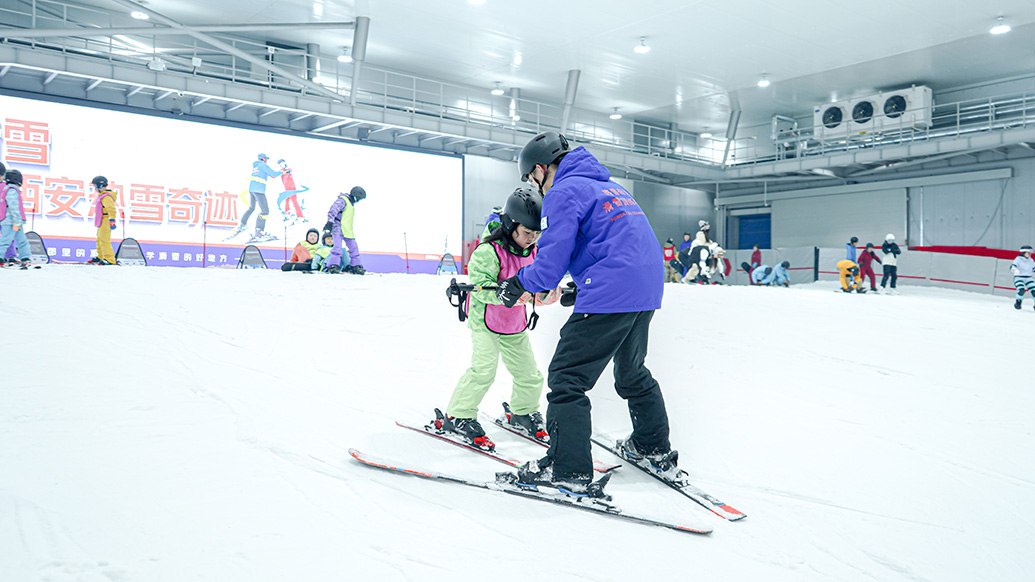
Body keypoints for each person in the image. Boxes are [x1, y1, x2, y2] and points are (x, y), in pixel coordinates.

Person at [496, 131, 672, 494]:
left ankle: (568, 469)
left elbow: (549, 263)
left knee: (567, 378)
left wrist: (519, 283)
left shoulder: (563, 191)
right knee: (632, 372)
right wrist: (585, 284)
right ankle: (652, 448)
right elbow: (611, 243)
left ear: (542, 169)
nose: (536, 187)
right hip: (646, 286)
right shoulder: (610, 188)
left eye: (532, 178)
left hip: (614, 289)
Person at [436, 188, 555, 450]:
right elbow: (480, 286)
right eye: (527, 233)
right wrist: (507, 294)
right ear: (511, 225)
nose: (531, 239)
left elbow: (539, 284)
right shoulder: (488, 251)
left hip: (514, 324)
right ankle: (458, 415)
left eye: (537, 234)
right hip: (485, 322)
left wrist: (545, 294)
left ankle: (522, 411)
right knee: (484, 371)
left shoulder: (533, 253)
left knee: (530, 374)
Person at [233, 153, 281, 243]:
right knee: (265, 211)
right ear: (263, 159)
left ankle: (242, 224)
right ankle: (259, 231)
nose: (267, 160)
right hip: (259, 190)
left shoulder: (256, 166)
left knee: (251, 207)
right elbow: (273, 174)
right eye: (266, 159)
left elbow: (271, 176)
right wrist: (283, 172)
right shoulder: (263, 165)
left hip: (252, 189)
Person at [324, 186, 367, 275]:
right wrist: (330, 222)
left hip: (347, 229)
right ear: (355, 196)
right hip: (338, 227)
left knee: (353, 247)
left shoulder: (351, 204)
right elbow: (333, 210)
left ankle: (356, 265)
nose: (358, 200)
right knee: (337, 247)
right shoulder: (342, 200)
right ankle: (333, 265)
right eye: (358, 198)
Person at [0, 169, 31, 269]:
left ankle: (25, 258)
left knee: (22, 240)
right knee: (6, 240)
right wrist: (17, 220)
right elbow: (13, 206)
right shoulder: (12, 191)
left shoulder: (9, 189)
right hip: (11, 221)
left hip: (15, 221)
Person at [90, 175, 119, 265]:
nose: (94, 188)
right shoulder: (102, 196)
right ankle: (101, 256)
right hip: (102, 220)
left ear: (99, 185)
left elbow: (111, 209)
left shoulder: (106, 197)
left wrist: (112, 220)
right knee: (99, 238)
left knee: (104, 239)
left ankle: (110, 259)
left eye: (95, 186)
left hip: (106, 220)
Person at [275, 158, 309, 225]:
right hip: (287, 189)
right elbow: (280, 174)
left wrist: (286, 172)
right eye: (280, 164)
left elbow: (289, 171)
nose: (281, 165)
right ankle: (288, 215)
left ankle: (300, 216)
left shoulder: (288, 170)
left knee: (294, 202)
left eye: (282, 163)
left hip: (291, 189)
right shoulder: (281, 171)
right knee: (287, 202)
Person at [1010, 245, 1035, 310]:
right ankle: (1018, 302)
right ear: (1024, 252)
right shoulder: (1018, 259)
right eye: (1029, 252)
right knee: (1021, 290)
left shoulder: (1031, 260)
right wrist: (1015, 270)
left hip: (1029, 277)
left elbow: (1033, 268)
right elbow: (1012, 266)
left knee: (1034, 291)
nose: (1030, 254)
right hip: (1019, 277)